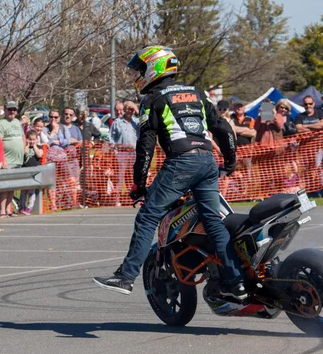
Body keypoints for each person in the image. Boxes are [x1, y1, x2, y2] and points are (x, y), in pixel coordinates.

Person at [93, 45, 244, 299]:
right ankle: (237, 282)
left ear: (155, 67)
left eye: (141, 69)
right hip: (207, 161)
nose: (138, 75)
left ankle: (125, 277)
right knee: (213, 223)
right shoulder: (199, 93)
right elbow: (224, 129)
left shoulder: (153, 98)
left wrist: (138, 185)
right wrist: (229, 163)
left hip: (181, 162)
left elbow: (145, 146)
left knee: (147, 217)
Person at [0, 101, 25, 217]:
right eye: (10, 109)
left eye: (14, 110)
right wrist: (3, 160)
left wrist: (23, 149)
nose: (12, 112)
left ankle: (9, 209)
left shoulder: (17, 122)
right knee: (4, 186)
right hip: (7, 160)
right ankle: (2, 210)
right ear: (5, 110)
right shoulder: (1, 123)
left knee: (12, 186)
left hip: (18, 160)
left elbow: (23, 137)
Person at [109, 100, 140, 200]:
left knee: (132, 177)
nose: (129, 111)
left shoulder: (137, 122)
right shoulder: (117, 122)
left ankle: (132, 198)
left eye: (131, 109)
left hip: (133, 153)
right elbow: (111, 138)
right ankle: (117, 199)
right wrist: (115, 148)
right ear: (124, 110)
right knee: (120, 177)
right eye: (127, 109)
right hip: (121, 154)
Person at [19, 130, 44, 215]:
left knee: (32, 191)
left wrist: (35, 146)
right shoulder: (25, 147)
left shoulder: (39, 147)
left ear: (37, 139)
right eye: (30, 139)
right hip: (25, 171)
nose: (32, 141)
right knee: (23, 191)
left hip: (34, 172)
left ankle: (29, 207)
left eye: (34, 139)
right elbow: (24, 153)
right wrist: (27, 145)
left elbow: (39, 155)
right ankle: (21, 207)